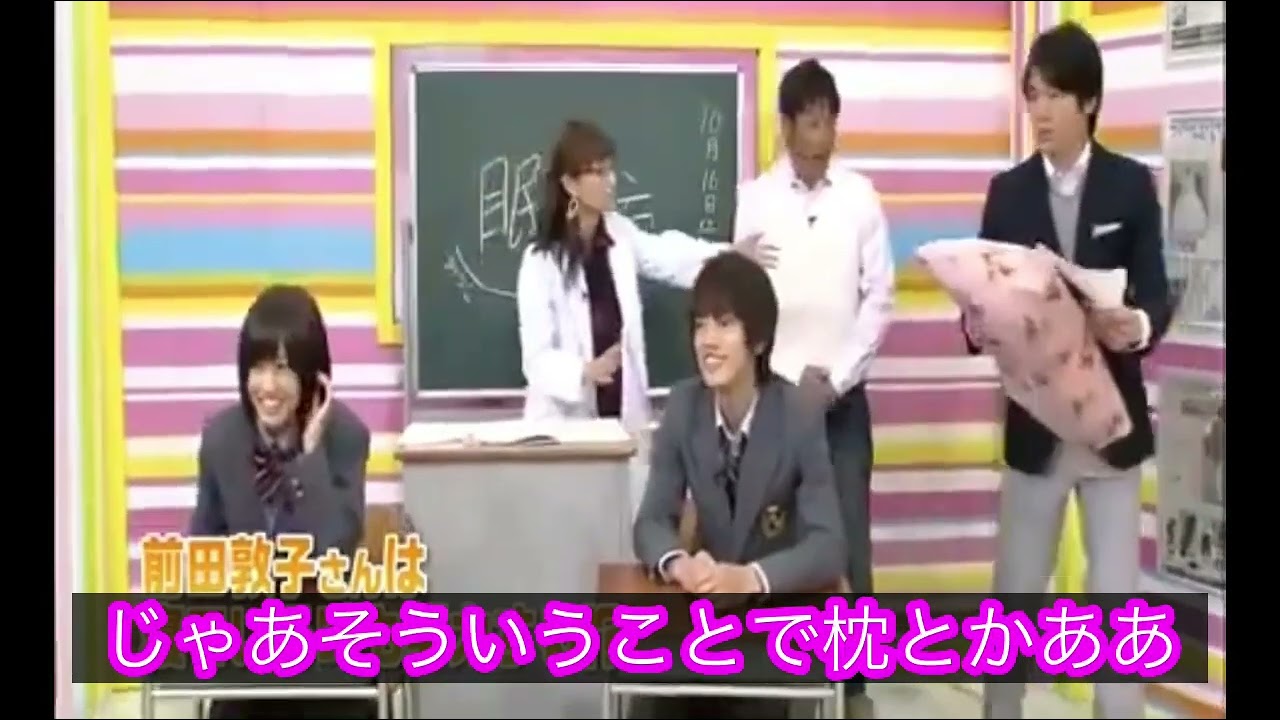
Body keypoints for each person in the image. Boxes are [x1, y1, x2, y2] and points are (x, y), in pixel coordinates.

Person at [965, 22, 1171, 720]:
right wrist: (977, 324)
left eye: (1054, 95)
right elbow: (985, 300)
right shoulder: (1007, 193)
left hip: (1111, 433)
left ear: (1089, 102)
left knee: (1119, 611)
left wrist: (1136, 324)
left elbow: (1156, 293)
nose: (1040, 110)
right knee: (1013, 602)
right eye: (1033, 95)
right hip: (1036, 430)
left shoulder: (1131, 185)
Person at [732, 57, 894, 719]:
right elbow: (741, 303)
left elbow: (879, 298)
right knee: (773, 542)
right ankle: (780, 683)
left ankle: (854, 690)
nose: (821, 136)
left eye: (829, 123)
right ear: (786, 126)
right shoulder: (754, 199)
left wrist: (839, 375)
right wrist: (777, 379)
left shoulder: (860, 197)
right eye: (810, 123)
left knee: (848, 539)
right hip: (772, 404)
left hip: (840, 402)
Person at [631, 252, 846, 719]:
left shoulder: (797, 415)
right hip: (701, 617)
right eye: (700, 325)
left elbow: (828, 545)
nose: (708, 341)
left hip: (771, 624)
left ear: (759, 340)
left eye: (725, 324)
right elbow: (650, 522)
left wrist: (750, 578)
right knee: (647, 704)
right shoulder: (684, 407)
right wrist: (679, 564)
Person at [189, 284, 374, 720]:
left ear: (312, 375)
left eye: (283, 369)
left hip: (325, 639)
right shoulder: (221, 439)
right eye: (257, 368)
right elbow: (202, 550)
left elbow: (338, 554)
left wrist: (310, 458)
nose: (267, 387)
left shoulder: (347, 436)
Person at [516, 120, 769, 432]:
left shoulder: (619, 234)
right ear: (570, 184)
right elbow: (536, 358)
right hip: (564, 427)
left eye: (611, 170)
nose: (610, 181)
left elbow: (667, 255)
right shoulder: (540, 262)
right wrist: (584, 371)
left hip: (622, 421)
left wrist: (728, 254)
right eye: (598, 173)